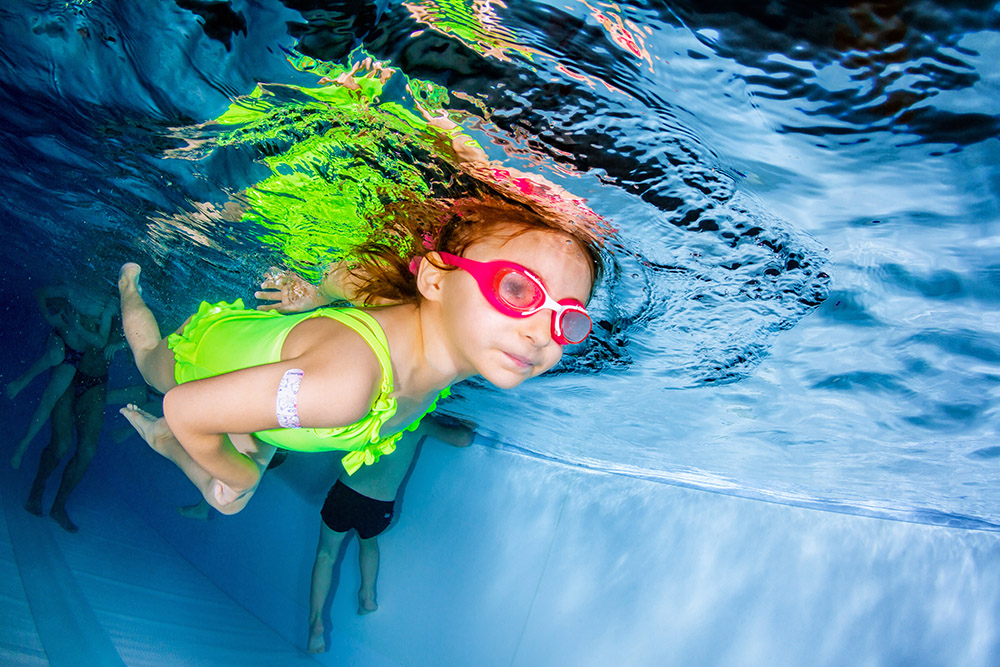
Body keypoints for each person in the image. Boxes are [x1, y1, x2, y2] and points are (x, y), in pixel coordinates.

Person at [117, 189, 603, 515]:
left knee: (225, 500)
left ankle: (175, 445)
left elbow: (349, 281)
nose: (542, 333)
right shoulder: (343, 388)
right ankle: (127, 286)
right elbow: (184, 407)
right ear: (435, 279)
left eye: (569, 318)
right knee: (223, 474)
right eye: (517, 289)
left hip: (278, 402)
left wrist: (315, 296)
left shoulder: (417, 334)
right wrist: (244, 474)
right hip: (201, 362)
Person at [307, 413, 473, 654]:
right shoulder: (418, 420)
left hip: (347, 493)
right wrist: (465, 424)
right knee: (368, 543)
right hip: (379, 507)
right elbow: (463, 439)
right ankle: (368, 596)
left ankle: (316, 620)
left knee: (326, 554)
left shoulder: (375, 413)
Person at [18, 288, 125, 533]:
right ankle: (36, 490)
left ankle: (58, 507)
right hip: (69, 373)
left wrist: (121, 344)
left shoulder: (123, 313)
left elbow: (146, 343)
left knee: (87, 451)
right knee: (62, 444)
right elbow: (50, 300)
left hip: (96, 382)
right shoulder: (86, 295)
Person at [7, 285, 117, 469]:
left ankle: (22, 446)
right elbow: (39, 292)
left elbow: (101, 341)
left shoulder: (106, 306)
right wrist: (50, 318)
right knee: (56, 355)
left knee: (49, 401)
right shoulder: (74, 288)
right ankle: (23, 380)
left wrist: (77, 326)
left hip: (75, 355)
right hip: (58, 338)